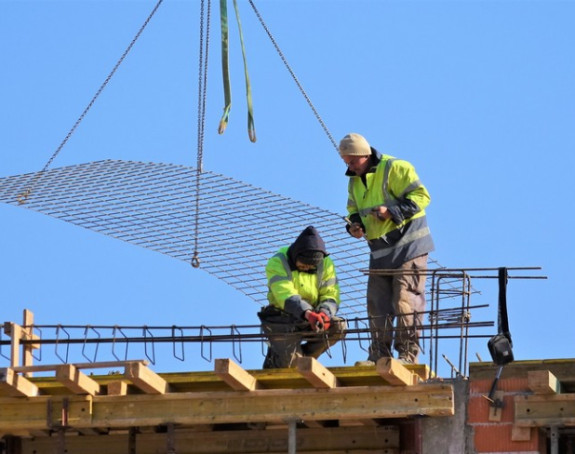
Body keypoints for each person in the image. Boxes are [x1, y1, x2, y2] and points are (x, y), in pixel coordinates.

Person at [339, 133, 434, 365]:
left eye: (353, 161)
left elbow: (422, 197)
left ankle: (407, 355)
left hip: (408, 246)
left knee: (405, 299)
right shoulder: (354, 181)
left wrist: (390, 211)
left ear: (365, 155)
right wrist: (355, 226)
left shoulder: (395, 168)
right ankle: (379, 355)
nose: (350, 167)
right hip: (380, 252)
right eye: (346, 162)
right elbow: (353, 209)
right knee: (376, 303)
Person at [258, 225, 347, 369]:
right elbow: (285, 294)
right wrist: (307, 313)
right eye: (304, 265)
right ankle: (281, 359)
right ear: (296, 256)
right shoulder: (277, 261)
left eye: (311, 267)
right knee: (289, 366)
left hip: (312, 318)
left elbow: (331, 294)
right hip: (281, 319)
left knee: (339, 326)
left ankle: (302, 358)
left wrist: (324, 313)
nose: (306, 268)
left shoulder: (326, 263)